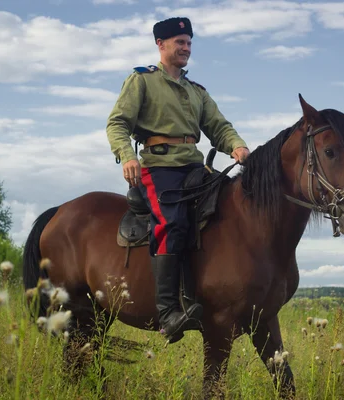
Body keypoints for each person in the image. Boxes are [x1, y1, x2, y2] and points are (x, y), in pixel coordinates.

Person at [106, 16, 250, 343]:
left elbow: (219, 127)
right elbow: (117, 124)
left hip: (195, 168)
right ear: (161, 44)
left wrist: (237, 146)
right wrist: (127, 155)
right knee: (170, 223)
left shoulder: (196, 91)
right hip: (159, 168)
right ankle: (168, 311)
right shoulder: (141, 81)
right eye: (179, 43)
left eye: (188, 43)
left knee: (225, 211)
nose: (186, 48)